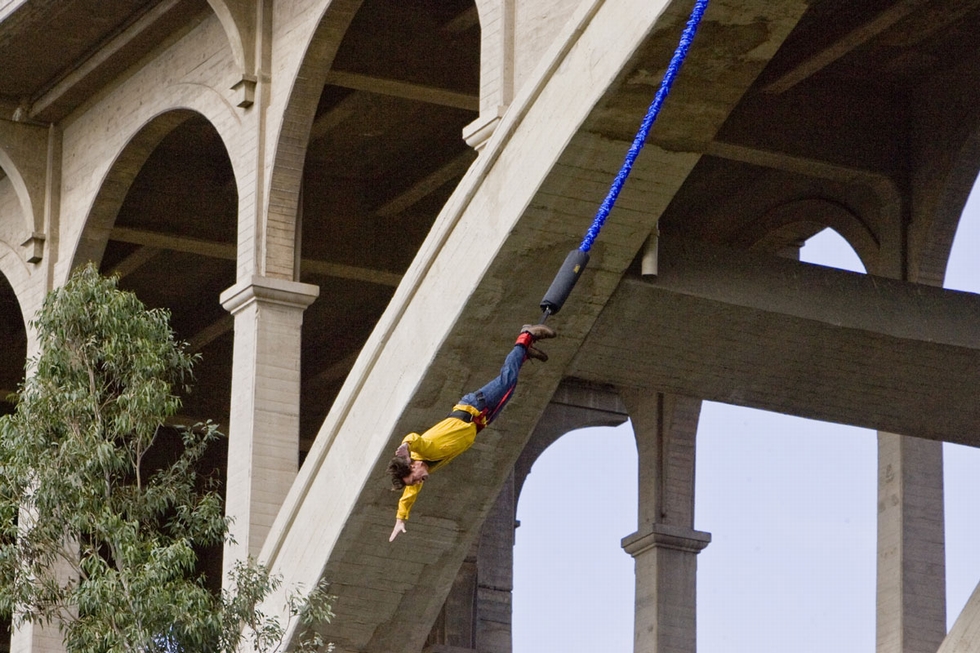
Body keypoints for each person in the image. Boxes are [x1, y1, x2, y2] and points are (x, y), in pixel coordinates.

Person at [387, 324, 557, 541]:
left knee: (507, 379)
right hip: (481, 420)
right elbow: (408, 496)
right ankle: (523, 352)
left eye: (415, 479)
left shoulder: (423, 450)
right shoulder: (426, 466)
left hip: (475, 405)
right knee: (510, 386)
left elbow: (412, 438)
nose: (418, 483)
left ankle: (526, 335)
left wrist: (405, 448)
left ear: (413, 465)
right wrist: (400, 519)